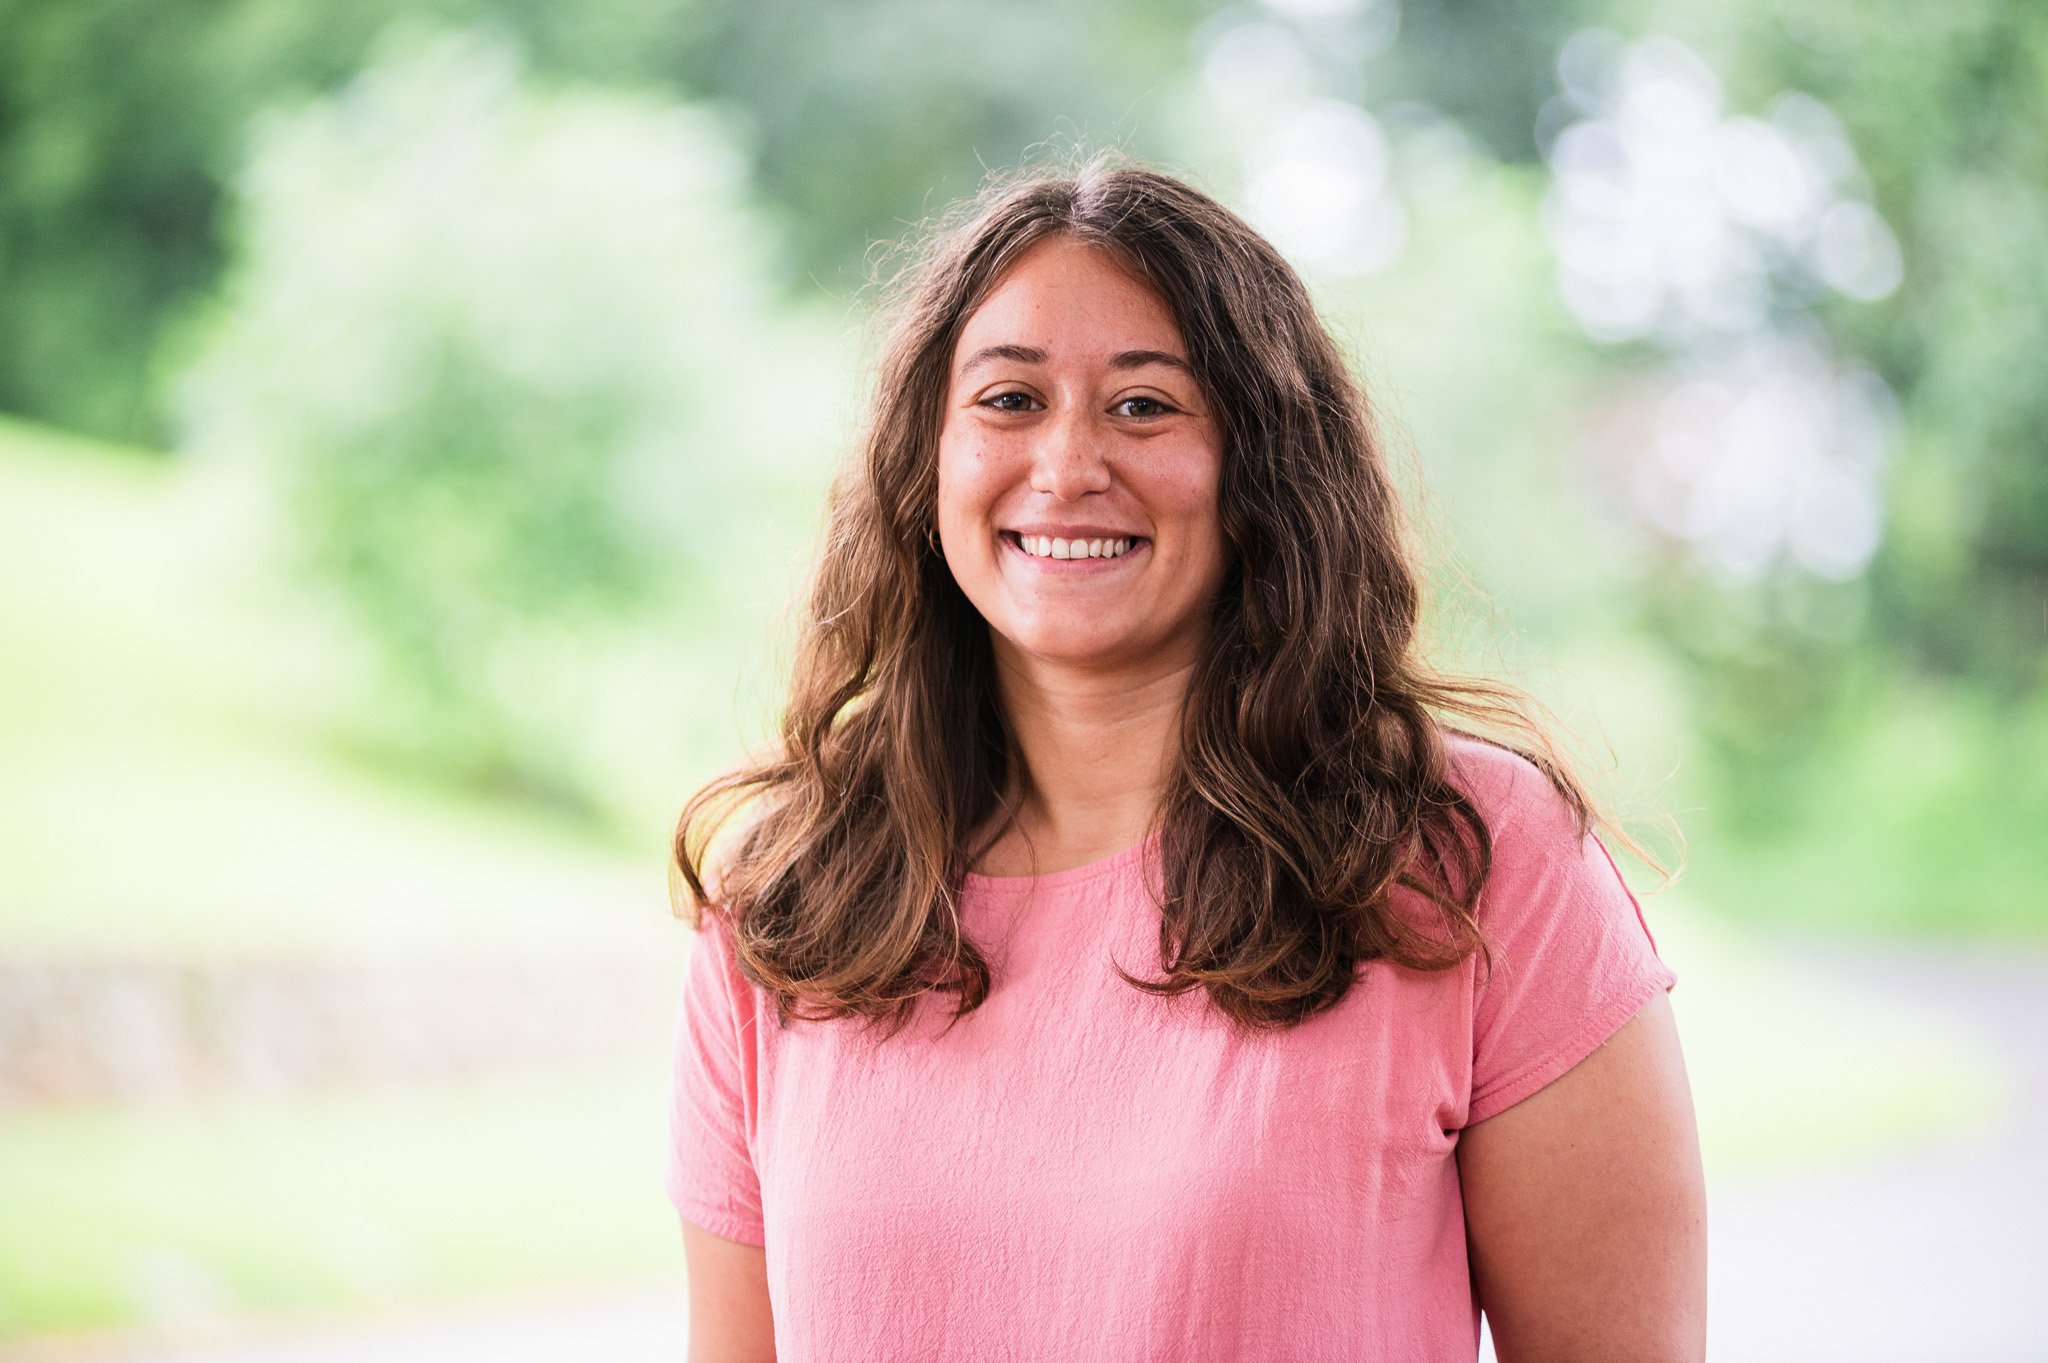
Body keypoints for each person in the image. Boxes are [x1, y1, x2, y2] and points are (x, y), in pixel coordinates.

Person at [665, 158, 1707, 1362]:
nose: (1065, 467)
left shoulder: (1469, 859)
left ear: (1261, 461)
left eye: (1143, 406)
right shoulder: (785, 904)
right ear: (926, 462)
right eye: (1007, 401)